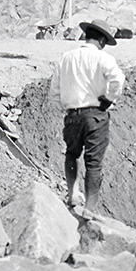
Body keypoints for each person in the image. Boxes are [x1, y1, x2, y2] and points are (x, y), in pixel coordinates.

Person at [50, 18, 125, 218]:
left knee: (71, 154)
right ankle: (89, 210)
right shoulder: (103, 58)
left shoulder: (66, 57)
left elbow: (54, 91)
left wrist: (67, 108)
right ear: (101, 39)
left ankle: (73, 194)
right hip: (95, 115)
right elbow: (118, 79)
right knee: (94, 163)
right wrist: (108, 100)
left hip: (72, 115)